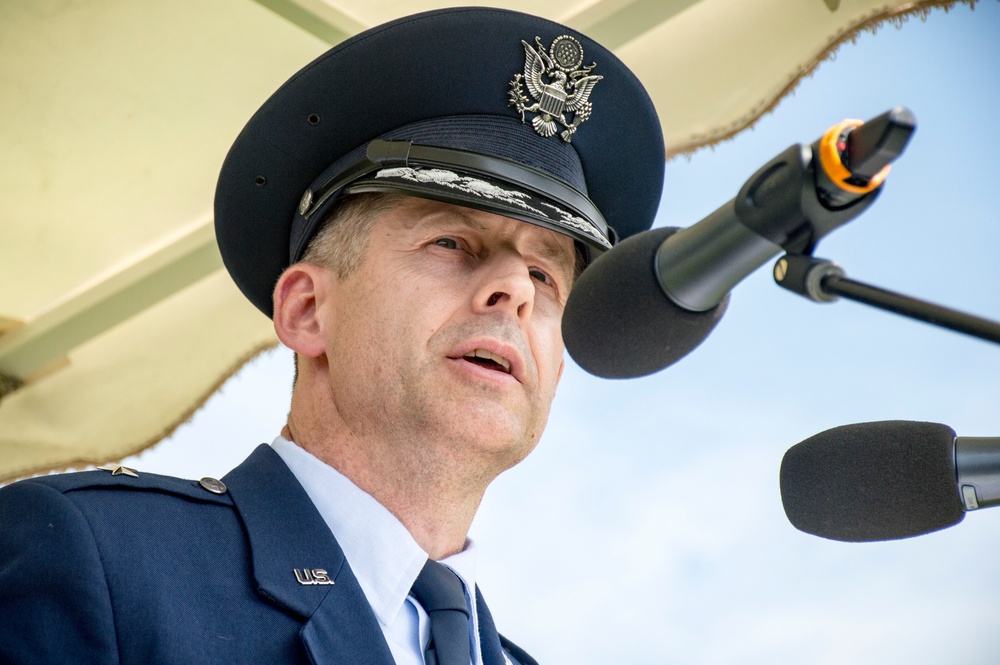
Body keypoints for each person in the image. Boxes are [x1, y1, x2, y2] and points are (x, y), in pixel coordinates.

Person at [0, 7, 664, 664]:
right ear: (308, 310)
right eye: (453, 241)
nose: (515, 289)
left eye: (546, 277)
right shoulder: (99, 559)